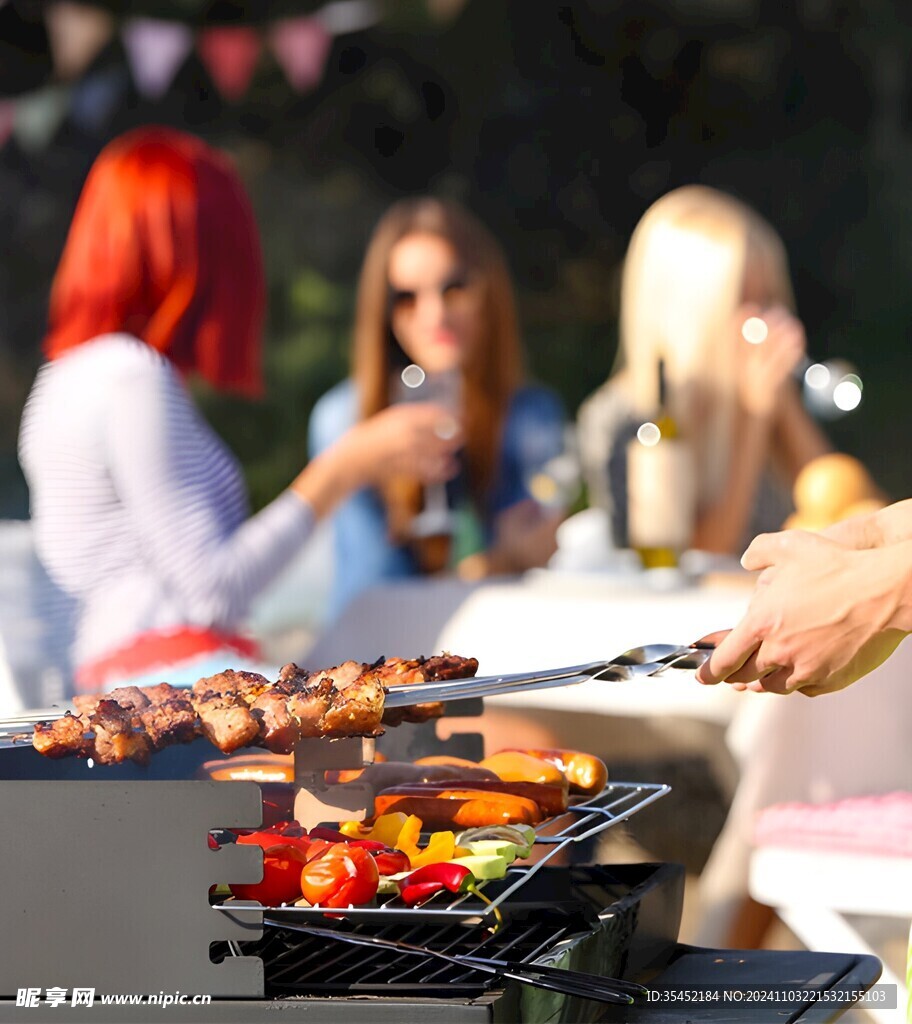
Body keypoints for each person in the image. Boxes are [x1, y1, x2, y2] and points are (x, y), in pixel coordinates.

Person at [18, 128, 461, 693]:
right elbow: (212, 590)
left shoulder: (64, 380)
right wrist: (345, 466)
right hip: (175, 683)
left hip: (120, 682)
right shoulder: (133, 379)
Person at [309, 196, 566, 618]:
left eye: (455, 288)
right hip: (378, 661)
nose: (435, 315)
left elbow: (540, 560)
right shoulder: (346, 420)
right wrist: (494, 561)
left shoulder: (530, 415)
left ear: (489, 294)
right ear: (384, 312)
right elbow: (374, 593)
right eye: (406, 297)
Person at [578, 184, 832, 555]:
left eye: (768, 299)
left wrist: (785, 408)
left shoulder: (772, 402)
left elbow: (850, 513)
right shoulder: (624, 419)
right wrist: (755, 418)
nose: (761, 321)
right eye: (742, 300)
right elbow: (697, 557)